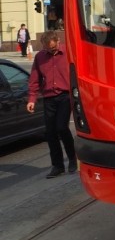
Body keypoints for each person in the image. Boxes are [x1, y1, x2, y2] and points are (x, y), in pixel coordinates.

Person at [27, 30, 76, 179]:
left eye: (53, 48)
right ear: (43, 46)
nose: (51, 51)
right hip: (49, 97)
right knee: (50, 132)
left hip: (65, 96)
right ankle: (58, 166)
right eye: (48, 49)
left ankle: (73, 159)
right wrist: (32, 99)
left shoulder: (69, 52)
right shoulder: (40, 57)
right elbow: (35, 79)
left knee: (61, 127)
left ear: (58, 42)